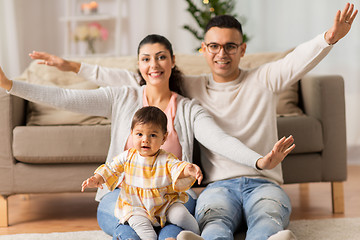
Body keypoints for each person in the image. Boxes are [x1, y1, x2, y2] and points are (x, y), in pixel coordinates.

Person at [26, 3, 357, 240]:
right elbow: (125, 78)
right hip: (211, 188)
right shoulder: (180, 88)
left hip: (256, 182)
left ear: (243, 49)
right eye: (214, 46)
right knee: (213, 224)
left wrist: (329, 37)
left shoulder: (256, 80)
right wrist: (69, 67)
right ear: (203, 50)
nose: (221, 54)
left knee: (265, 218)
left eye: (230, 47)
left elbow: (295, 62)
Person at [0, 34, 295, 240]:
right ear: (139, 65)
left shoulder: (189, 109)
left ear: (172, 61)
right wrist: (11, 85)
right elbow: (66, 97)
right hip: (124, 196)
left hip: (171, 199)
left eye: (161, 57)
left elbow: (219, 139)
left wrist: (259, 160)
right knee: (117, 216)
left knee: (173, 225)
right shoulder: (122, 97)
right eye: (146, 59)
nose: (154, 65)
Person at [81, 106, 203, 239]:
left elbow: (177, 168)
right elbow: (110, 168)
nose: (145, 139)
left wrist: (188, 170)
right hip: (136, 207)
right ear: (132, 133)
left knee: (181, 215)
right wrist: (97, 178)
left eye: (153, 135)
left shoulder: (166, 159)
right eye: (139, 134)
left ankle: (197, 235)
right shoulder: (127, 157)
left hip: (165, 204)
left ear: (164, 138)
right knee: (146, 232)